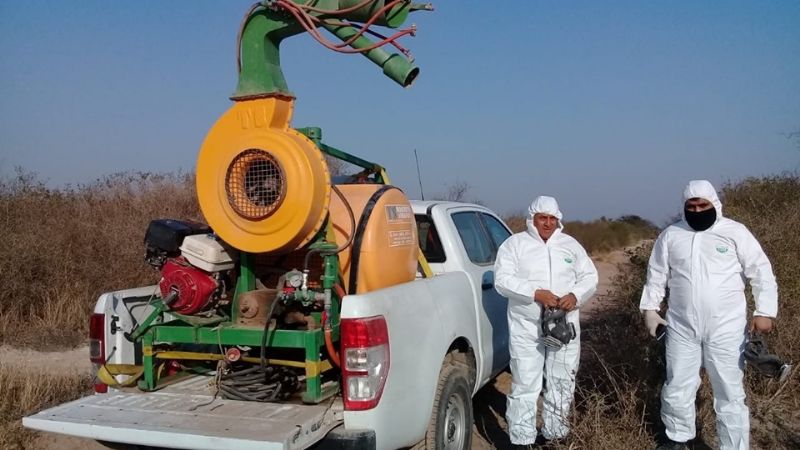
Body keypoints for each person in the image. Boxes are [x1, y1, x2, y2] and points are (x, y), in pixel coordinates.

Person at [640, 180, 778, 450]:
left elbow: (761, 271)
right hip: (681, 327)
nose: (697, 210)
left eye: (702, 205)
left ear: (714, 203)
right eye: (691, 206)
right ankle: (678, 439)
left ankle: (733, 446)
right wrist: (650, 310)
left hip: (726, 328)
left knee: (729, 392)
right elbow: (656, 275)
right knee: (677, 385)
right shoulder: (671, 235)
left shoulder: (735, 232)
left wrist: (764, 312)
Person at [494, 196, 598, 446]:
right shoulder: (515, 245)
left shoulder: (570, 246)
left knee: (561, 382)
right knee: (525, 383)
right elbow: (502, 280)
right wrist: (534, 293)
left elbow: (590, 276)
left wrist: (575, 295)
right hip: (526, 328)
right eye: (543, 218)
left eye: (552, 218)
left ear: (558, 220)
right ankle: (522, 440)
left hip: (564, 327)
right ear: (533, 219)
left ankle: (555, 435)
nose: (548, 223)